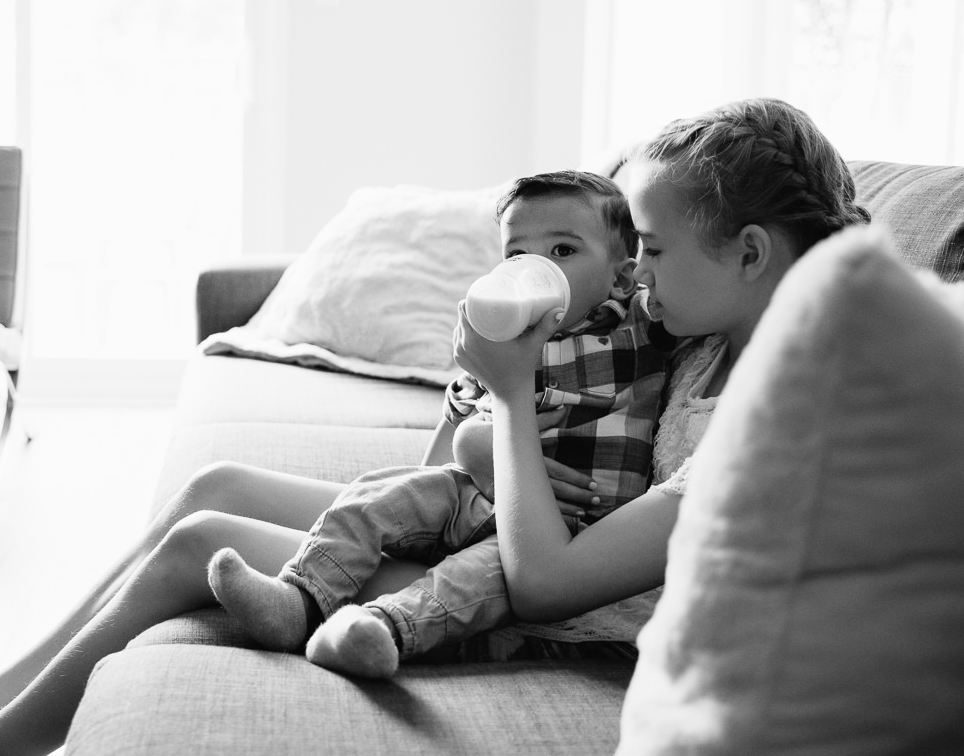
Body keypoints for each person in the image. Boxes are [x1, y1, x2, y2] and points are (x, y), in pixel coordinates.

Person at [0, 97, 867, 756]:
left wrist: (515, 397)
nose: (639, 277)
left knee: (203, 540)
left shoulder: (775, 406)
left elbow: (547, 580)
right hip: (524, 538)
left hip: (561, 610)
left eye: (650, 250)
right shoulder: (697, 338)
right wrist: (477, 391)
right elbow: (457, 467)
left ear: (747, 252)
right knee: (216, 486)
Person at [205, 170, 670, 677]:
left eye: (562, 251)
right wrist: (469, 397)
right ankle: (299, 598)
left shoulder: (640, 328)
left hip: (557, 534)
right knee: (376, 494)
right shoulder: (506, 339)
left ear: (622, 278)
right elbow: (439, 457)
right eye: (517, 255)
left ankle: (376, 630)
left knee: (473, 579)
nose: (534, 269)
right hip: (472, 497)